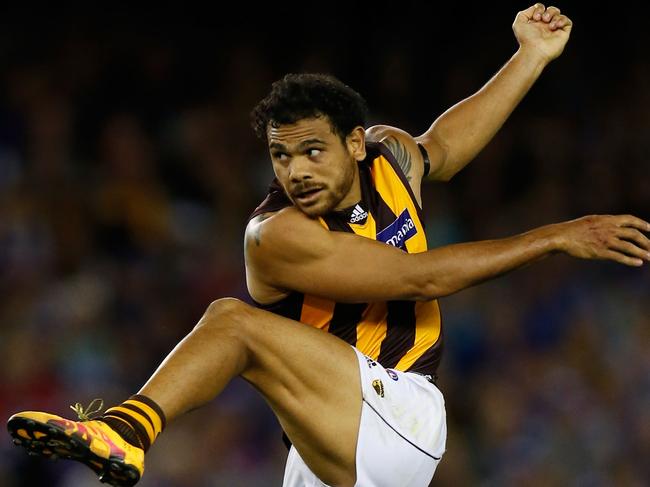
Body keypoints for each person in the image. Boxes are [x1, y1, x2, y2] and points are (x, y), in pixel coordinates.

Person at [7, 4, 650, 486]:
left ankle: (125, 430)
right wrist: (557, 236)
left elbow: (446, 145)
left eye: (312, 151)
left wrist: (531, 56)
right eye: (281, 156)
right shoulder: (275, 234)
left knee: (233, 322)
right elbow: (418, 277)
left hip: (402, 413)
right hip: (326, 444)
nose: (297, 172)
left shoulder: (392, 157)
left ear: (354, 143)